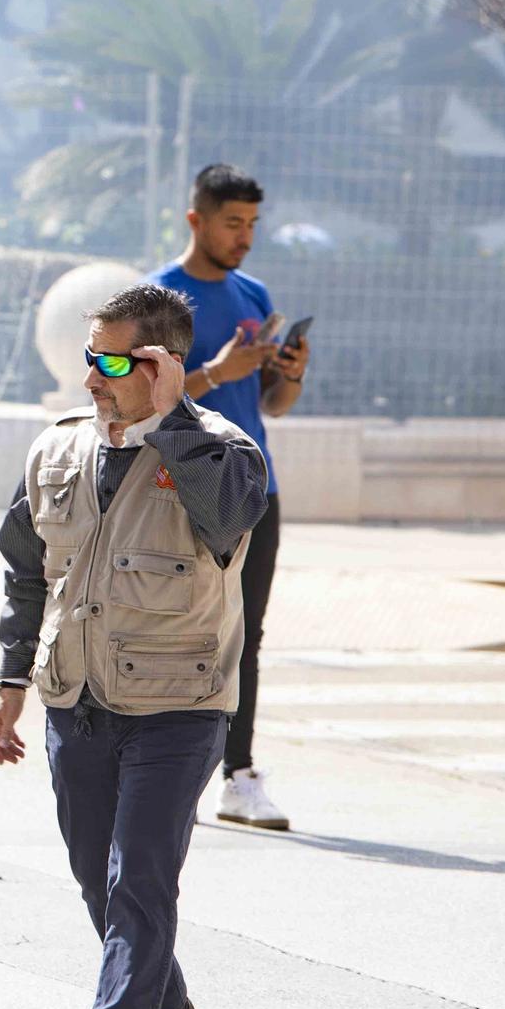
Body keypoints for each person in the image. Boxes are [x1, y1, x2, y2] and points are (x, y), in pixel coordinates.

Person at [0, 282, 267, 1009]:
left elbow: (228, 522)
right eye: (92, 357)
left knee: (140, 877)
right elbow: (25, 566)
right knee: (96, 878)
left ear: (162, 365)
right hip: (76, 698)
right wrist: (10, 684)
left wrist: (175, 419)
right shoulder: (59, 449)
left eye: (114, 360)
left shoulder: (226, 454)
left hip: (181, 706)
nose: (94, 378)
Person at [148, 164, 310, 830]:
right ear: (196, 220)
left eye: (251, 224)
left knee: (245, 635)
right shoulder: (158, 296)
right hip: (180, 489)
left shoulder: (253, 292)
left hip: (254, 487)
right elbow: (138, 399)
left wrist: (290, 375)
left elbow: (271, 403)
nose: (243, 237)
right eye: (231, 223)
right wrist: (215, 371)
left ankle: (237, 775)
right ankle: (156, 766)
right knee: (171, 628)